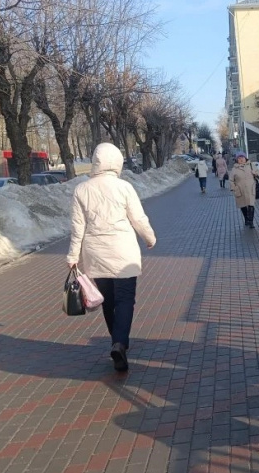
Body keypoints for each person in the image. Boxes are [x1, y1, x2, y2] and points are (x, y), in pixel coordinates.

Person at [66, 142, 157, 372]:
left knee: (107, 300)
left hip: (96, 254)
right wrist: (149, 238)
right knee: (125, 299)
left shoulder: (81, 190)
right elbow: (138, 218)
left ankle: (116, 341)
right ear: (117, 161)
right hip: (123, 251)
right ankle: (120, 342)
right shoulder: (124, 187)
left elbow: (78, 227)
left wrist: (73, 255)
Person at [230, 151, 259, 228]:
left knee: (251, 204)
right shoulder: (234, 169)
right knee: (243, 205)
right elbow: (231, 180)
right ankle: (246, 218)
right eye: (239, 158)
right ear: (237, 159)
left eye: (242, 157)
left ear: (245, 158)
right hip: (240, 189)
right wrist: (234, 188)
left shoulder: (251, 165)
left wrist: (255, 173)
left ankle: (251, 221)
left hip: (251, 188)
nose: (241, 159)